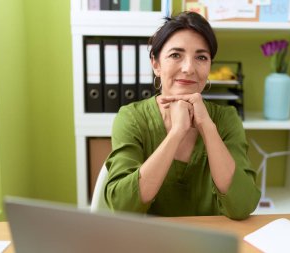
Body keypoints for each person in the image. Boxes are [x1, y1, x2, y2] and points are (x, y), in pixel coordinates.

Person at [103, 11, 260, 219]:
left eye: (201, 57)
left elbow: (242, 206)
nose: (188, 68)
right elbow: (123, 207)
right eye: (176, 55)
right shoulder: (132, 118)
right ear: (156, 64)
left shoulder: (226, 118)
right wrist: (176, 133)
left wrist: (207, 127)